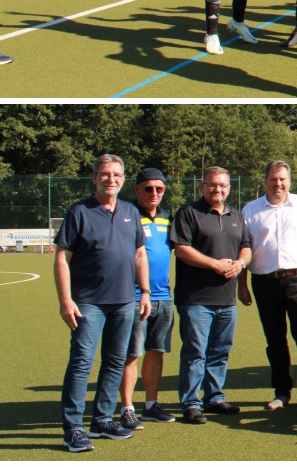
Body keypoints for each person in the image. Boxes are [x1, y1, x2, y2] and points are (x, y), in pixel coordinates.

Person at [54, 155, 150, 452]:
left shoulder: (131, 212)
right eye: (105, 174)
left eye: (117, 174)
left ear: (124, 178)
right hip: (88, 303)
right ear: (94, 177)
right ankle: (73, 428)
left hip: (124, 301)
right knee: (82, 363)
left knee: (114, 361)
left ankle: (103, 421)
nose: (111, 179)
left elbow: (139, 255)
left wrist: (144, 291)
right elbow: (61, 258)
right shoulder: (79, 211)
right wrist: (65, 300)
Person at [239, 161, 297, 411]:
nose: (278, 184)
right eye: (273, 179)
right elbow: (243, 249)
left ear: (289, 181)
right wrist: (242, 285)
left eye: (283, 179)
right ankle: (282, 392)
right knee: (275, 340)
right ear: (265, 180)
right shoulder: (251, 210)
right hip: (264, 283)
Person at [169, 166, 252, 425]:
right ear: (202, 186)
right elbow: (181, 249)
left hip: (226, 300)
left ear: (229, 188)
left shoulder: (236, 216)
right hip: (196, 299)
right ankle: (191, 403)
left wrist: (240, 264)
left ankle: (214, 397)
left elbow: (246, 247)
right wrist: (215, 264)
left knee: (220, 350)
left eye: (223, 185)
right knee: (195, 352)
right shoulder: (189, 213)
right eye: (213, 184)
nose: (218, 189)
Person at [119, 168, 175, 429]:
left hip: (164, 297)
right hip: (133, 296)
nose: (154, 193)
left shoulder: (167, 216)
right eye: (148, 188)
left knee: (156, 351)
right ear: (136, 189)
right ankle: (127, 408)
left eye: (159, 189)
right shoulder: (126, 214)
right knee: (132, 354)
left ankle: (151, 405)